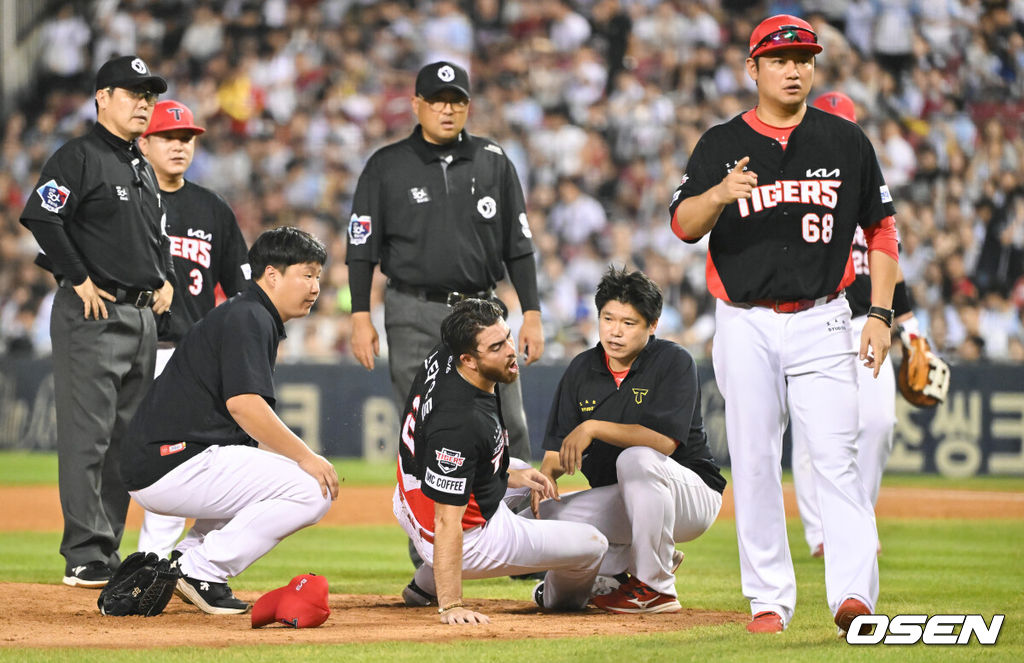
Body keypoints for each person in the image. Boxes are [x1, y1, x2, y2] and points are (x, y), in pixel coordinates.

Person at [668, 15, 900, 634]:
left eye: (803, 57)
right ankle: (769, 599)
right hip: (745, 322)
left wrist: (880, 311)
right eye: (779, 58)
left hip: (826, 317)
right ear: (753, 68)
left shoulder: (846, 141)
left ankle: (854, 598)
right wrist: (719, 194)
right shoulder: (721, 142)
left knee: (836, 459)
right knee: (754, 458)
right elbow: (683, 225)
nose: (794, 68)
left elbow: (881, 229)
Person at [121, 227, 339, 615]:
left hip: (167, 458)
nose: (315, 287)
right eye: (306, 274)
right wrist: (307, 457)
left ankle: (181, 564)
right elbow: (245, 406)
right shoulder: (250, 316)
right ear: (272, 275)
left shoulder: (250, 312)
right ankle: (199, 569)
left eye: (318, 276)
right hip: (174, 460)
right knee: (311, 488)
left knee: (259, 475)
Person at [19, 55, 173, 588]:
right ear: (102, 98)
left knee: (125, 442)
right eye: (132, 92)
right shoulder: (78, 155)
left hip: (140, 315)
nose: (144, 102)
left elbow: (155, 235)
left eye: (148, 94)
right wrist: (76, 276)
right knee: (90, 439)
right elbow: (41, 213)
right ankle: (84, 551)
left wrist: (167, 275)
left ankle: (104, 550)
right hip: (95, 312)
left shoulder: (140, 165)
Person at [346, 61, 543, 465]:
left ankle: (519, 525)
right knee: (423, 425)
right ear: (416, 104)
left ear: (468, 107)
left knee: (510, 425)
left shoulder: (493, 160)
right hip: (412, 309)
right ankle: (425, 529)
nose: (447, 109)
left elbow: (519, 246)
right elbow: (361, 247)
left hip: (484, 311)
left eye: (457, 101)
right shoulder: (386, 165)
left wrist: (534, 312)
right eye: (437, 100)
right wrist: (359, 315)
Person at [394, 299, 607, 625]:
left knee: (521, 468)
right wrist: (452, 605)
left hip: (410, 493)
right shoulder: (459, 422)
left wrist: (508, 473)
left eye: (508, 336)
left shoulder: (448, 352)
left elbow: (457, 455)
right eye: (497, 346)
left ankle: (422, 589)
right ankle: (555, 599)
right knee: (593, 544)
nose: (511, 349)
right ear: (468, 360)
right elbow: (447, 523)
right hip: (465, 539)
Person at [534, 267, 726, 614]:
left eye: (629, 322)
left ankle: (656, 587)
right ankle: (622, 570)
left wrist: (593, 427)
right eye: (608, 318)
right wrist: (545, 478)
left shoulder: (673, 361)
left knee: (636, 459)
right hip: (628, 499)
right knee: (543, 523)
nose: (615, 331)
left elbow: (663, 444)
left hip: (691, 494)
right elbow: (556, 455)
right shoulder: (581, 369)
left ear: (652, 326)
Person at [792, 91, 924, 559]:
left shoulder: (867, 184)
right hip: (815, 320)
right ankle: (822, 534)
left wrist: (908, 326)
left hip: (871, 321)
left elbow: (891, 256)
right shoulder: (800, 186)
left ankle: (855, 520)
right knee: (812, 435)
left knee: (879, 422)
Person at [134, 99, 251, 558]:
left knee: (181, 457)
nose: (180, 146)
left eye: (186, 138)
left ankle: (169, 562)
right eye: (168, 137)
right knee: (128, 455)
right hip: (132, 343)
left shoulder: (211, 208)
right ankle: (111, 558)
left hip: (188, 353)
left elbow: (241, 287)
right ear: (145, 144)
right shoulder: (128, 200)